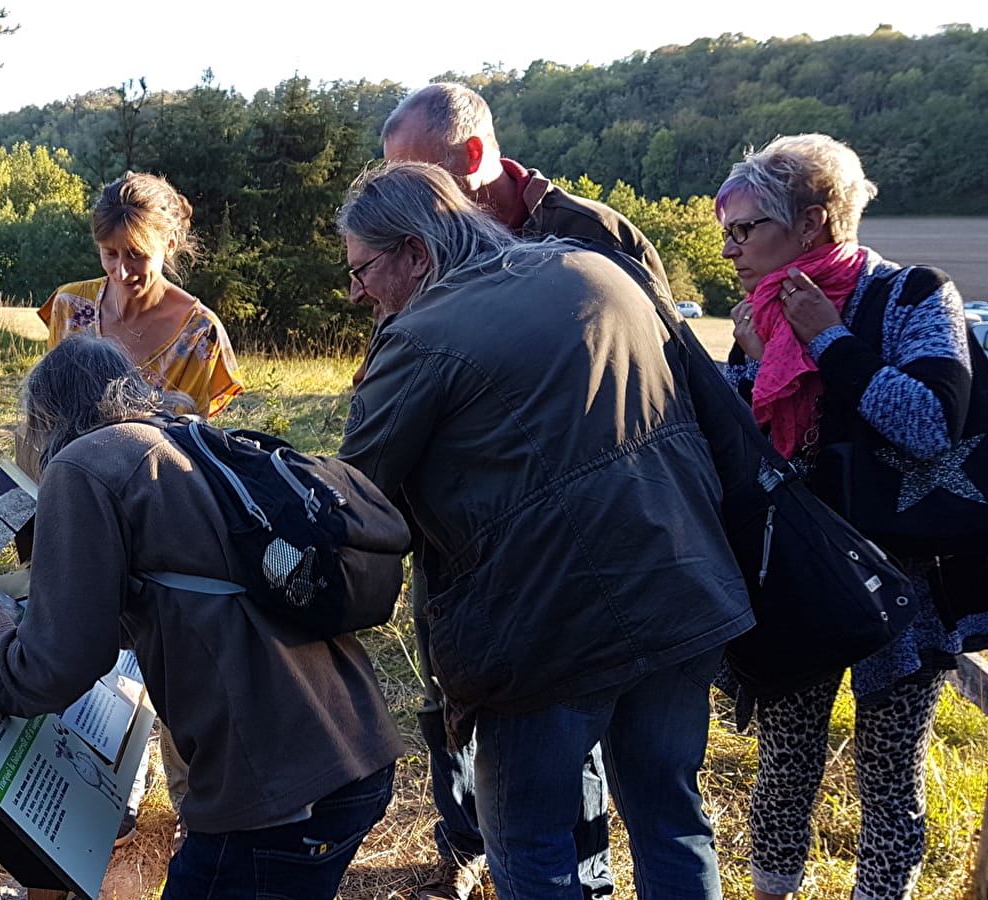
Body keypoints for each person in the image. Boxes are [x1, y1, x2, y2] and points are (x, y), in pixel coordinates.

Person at [338, 161, 752, 900]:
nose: (357, 293)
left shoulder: (421, 335)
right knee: (672, 820)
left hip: (543, 627)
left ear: (415, 253)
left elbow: (355, 492)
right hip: (684, 584)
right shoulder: (599, 270)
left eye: (361, 271)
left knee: (532, 842)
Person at [0, 334, 403, 900]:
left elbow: (54, 668)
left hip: (276, 791)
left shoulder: (83, 465)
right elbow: (177, 596)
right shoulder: (183, 437)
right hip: (352, 752)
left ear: (44, 417)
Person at [377, 81, 672, 900]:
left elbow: (663, 370)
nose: (408, 197)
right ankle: (463, 839)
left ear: (474, 156)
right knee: (451, 693)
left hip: (590, 540)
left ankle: (584, 869)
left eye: (420, 176)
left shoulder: (590, 234)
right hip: (462, 537)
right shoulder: (417, 241)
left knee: (584, 738)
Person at [716, 133, 988, 900]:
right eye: (726, 232)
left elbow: (929, 422)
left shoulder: (913, 295)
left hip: (904, 587)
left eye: (744, 229)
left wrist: (828, 339)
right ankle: (773, 890)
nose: (730, 249)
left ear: (810, 223)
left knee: (890, 774)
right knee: (786, 765)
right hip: (798, 582)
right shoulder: (762, 315)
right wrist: (750, 363)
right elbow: (743, 453)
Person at [40, 171, 243, 417]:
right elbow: (50, 409)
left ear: (170, 243)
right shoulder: (70, 305)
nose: (122, 272)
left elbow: (188, 429)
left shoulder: (199, 333)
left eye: (136, 254)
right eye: (110, 254)